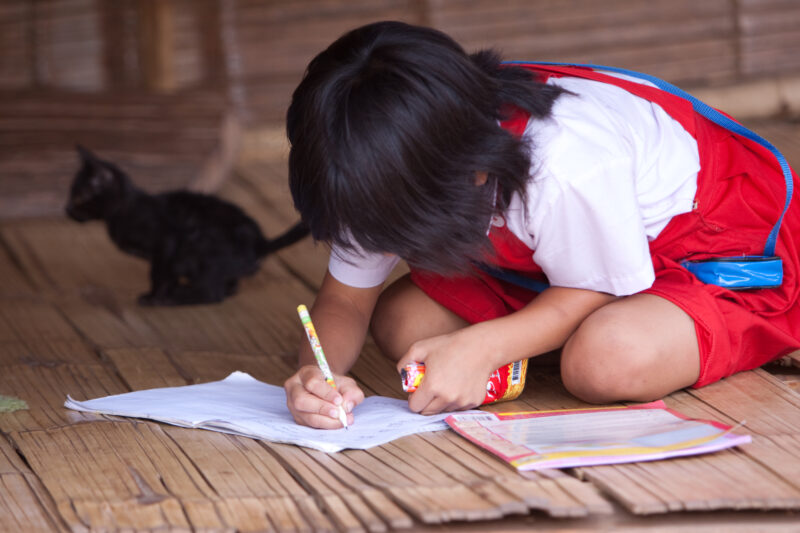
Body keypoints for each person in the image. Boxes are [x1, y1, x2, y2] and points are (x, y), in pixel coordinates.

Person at [282, 20, 800, 429]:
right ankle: (558, 338)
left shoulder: (568, 160)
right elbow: (345, 301)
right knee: (404, 323)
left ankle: (724, 332)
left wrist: (484, 347)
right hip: (564, 267)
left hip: (715, 254)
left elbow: (591, 287)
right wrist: (317, 373)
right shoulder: (371, 160)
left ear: (471, 172)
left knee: (606, 361)